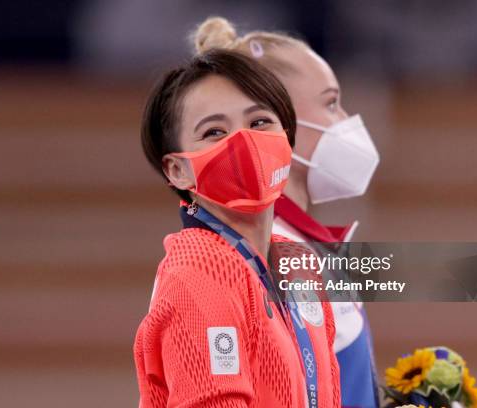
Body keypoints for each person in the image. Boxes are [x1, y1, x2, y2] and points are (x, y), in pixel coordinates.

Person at [134, 49, 341, 407]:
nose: (244, 141)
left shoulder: (300, 267)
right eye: (214, 131)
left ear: (287, 139)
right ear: (178, 170)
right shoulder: (200, 272)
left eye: (260, 122)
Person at [191, 17, 381, 408]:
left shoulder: (299, 246)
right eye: (331, 103)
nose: (345, 122)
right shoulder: (266, 254)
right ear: (280, 118)